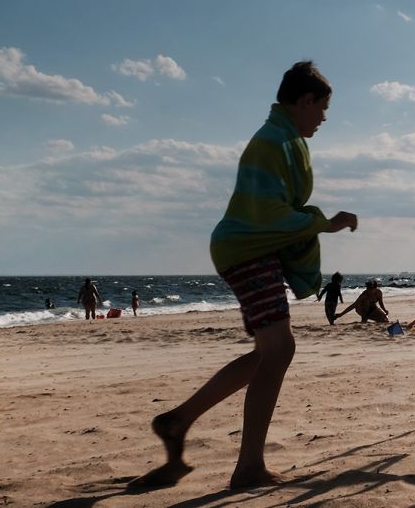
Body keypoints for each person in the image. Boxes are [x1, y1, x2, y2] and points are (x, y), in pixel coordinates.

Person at [133, 61, 358, 492]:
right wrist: (324, 223)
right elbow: (267, 212)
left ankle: (177, 420)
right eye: (324, 108)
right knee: (280, 349)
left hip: (251, 249)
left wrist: (317, 223)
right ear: (305, 101)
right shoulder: (272, 142)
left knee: (270, 352)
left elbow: (271, 209)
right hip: (245, 249)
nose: (325, 118)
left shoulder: (284, 139)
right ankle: (248, 465)